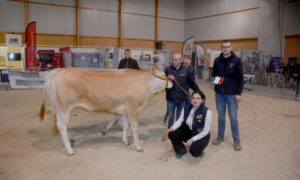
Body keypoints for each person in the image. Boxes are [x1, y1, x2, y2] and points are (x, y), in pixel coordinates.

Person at [212, 40, 243, 151]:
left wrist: (238, 93)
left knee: (233, 117)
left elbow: (240, 78)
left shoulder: (237, 61)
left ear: (231, 48)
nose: (225, 49)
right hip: (219, 94)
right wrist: (216, 81)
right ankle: (220, 136)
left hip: (232, 94)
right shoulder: (217, 61)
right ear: (221, 48)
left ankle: (236, 139)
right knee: (221, 116)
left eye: (227, 47)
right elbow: (213, 76)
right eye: (223, 47)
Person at [164, 90, 211, 159]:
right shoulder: (186, 107)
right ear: (191, 99)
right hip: (190, 132)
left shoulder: (207, 112)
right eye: (193, 98)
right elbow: (180, 121)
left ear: (202, 100)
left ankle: (198, 146)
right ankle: (181, 150)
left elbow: (206, 131)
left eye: (198, 98)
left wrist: (192, 139)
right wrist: (170, 129)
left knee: (194, 152)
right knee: (172, 133)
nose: (195, 100)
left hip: (201, 136)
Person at [165, 53, 199, 129]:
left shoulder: (186, 70)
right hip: (171, 98)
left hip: (182, 98)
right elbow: (164, 84)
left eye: (175, 60)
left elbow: (191, 82)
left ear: (181, 61)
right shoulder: (167, 70)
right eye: (173, 60)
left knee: (180, 117)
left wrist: (197, 91)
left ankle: (177, 133)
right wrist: (168, 79)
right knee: (170, 117)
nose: (173, 62)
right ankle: (169, 133)